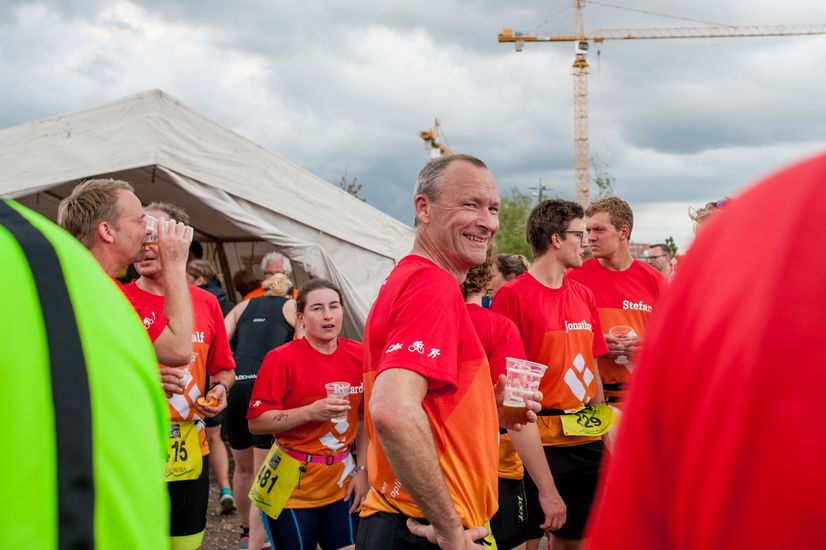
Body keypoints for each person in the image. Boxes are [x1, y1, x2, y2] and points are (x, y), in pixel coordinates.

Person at [587, 153, 826, 549]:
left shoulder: (664, 282)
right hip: (608, 408)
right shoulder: (582, 280)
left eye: (710, 240)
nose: (701, 253)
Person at [357, 154, 540, 549]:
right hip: (423, 527)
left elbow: (423, 407)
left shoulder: (410, 279)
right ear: (424, 208)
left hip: (402, 516)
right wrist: (451, 531)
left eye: (492, 208)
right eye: (470, 205)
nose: (488, 222)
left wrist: (486, 407)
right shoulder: (431, 284)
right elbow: (392, 412)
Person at [1, 199, 169, 549]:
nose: (149, 233)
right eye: (140, 221)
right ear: (107, 231)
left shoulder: (48, 259)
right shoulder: (51, 258)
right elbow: (179, 347)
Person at [491, 199, 608, 550]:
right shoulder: (513, 296)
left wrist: (605, 431)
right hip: (537, 444)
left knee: (578, 542)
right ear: (556, 239)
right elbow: (513, 395)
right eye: (579, 233)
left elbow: (592, 370)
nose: (585, 241)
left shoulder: (584, 294)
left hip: (586, 439)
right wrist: (545, 486)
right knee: (523, 542)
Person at [129, 202, 236, 550]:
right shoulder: (117, 296)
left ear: (180, 242)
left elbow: (224, 368)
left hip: (190, 447)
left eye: (155, 236)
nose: (146, 246)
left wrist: (219, 388)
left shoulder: (206, 302)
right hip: (135, 445)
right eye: (141, 235)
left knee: (185, 544)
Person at [248, 279, 368, 549]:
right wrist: (311, 412)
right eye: (317, 308)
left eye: (334, 306)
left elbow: (363, 419)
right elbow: (257, 423)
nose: (328, 315)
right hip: (291, 483)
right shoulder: (280, 359)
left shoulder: (359, 354)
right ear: (301, 318)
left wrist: (363, 471)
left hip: (342, 479)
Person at [462, 254, 565, 550]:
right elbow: (518, 414)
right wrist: (547, 490)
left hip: (435, 474)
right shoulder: (499, 327)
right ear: (485, 279)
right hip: (496, 468)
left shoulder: (423, 322)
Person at [57, 178, 194, 367]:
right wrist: (175, 264)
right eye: (140, 220)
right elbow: (178, 351)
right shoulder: (102, 291)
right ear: (107, 231)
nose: (148, 229)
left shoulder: (71, 277)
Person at [567, 197, 667, 406]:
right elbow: (560, 336)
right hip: (590, 401)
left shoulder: (654, 280)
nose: (590, 238)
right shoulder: (574, 278)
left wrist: (649, 346)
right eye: (589, 231)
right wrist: (596, 345)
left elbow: (676, 338)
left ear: (623, 231)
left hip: (642, 398)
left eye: (599, 230)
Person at [224, 272, 298, 549]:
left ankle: (245, 532)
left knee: (242, 469)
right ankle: (261, 537)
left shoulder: (243, 306)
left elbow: (220, 338)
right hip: (265, 388)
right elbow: (301, 348)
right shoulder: (291, 306)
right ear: (289, 291)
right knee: (263, 470)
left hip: (235, 385)